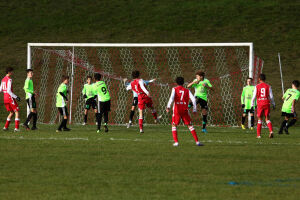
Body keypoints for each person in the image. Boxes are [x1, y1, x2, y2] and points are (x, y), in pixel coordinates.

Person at [167, 77, 204, 146]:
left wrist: (168, 106)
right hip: (185, 110)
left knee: (174, 125)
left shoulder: (174, 89)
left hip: (177, 110)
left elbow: (171, 98)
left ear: (176, 83)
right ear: (183, 83)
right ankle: (197, 142)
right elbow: (193, 100)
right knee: (190, 125)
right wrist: (194, 109)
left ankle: (176, 142)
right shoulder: (187, 90)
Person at [251, 74, 275, 138]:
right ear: (265, 79)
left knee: (259, 119)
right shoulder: (268, 86)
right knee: (267, 118)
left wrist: (252, 104)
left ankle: (258, 135)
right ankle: (271, 131)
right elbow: (271, 97)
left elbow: (253, 96)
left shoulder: (257, 86)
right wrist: (273, 104)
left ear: (259, 79)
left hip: (260, 104)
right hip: (267, 103)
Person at [0, 67, 21, 132]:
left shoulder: (3, 79)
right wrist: (16, 97)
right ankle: (16, 128)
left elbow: (0, 90)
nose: (12, 73)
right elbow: (9, 91)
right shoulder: (9, 79)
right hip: (10, 98)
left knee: (11, 112)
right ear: (9, 72)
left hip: (5, 98)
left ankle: (5, 127)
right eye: (12, 71)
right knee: (16, 111)